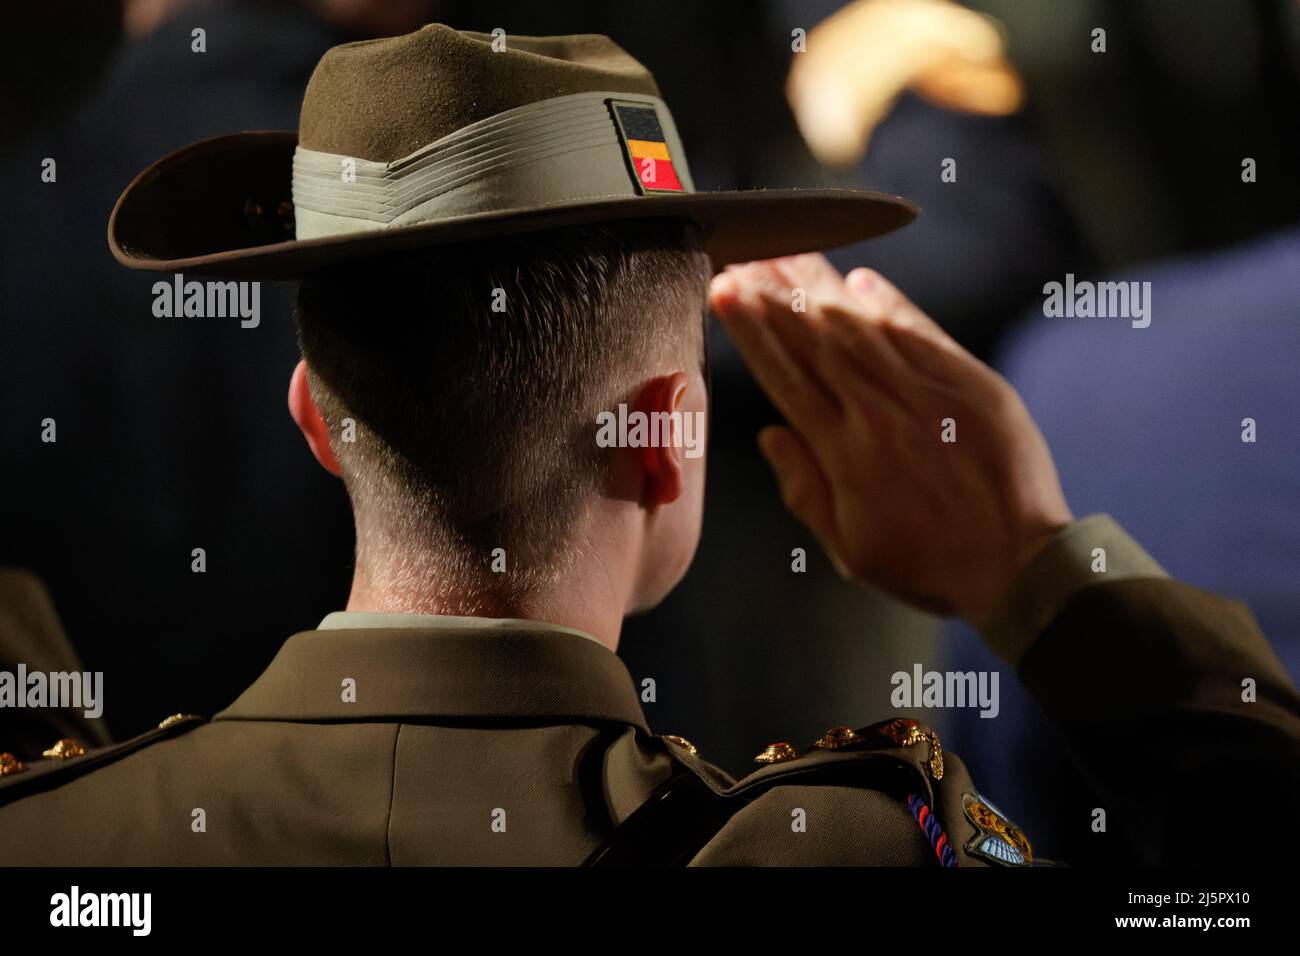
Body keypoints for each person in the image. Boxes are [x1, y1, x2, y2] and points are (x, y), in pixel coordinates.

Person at [2, 24, 1296, 866]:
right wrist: (1036, 575)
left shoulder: (60, 848)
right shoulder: (838, 858)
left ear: (317, 425)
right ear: (667, 438)